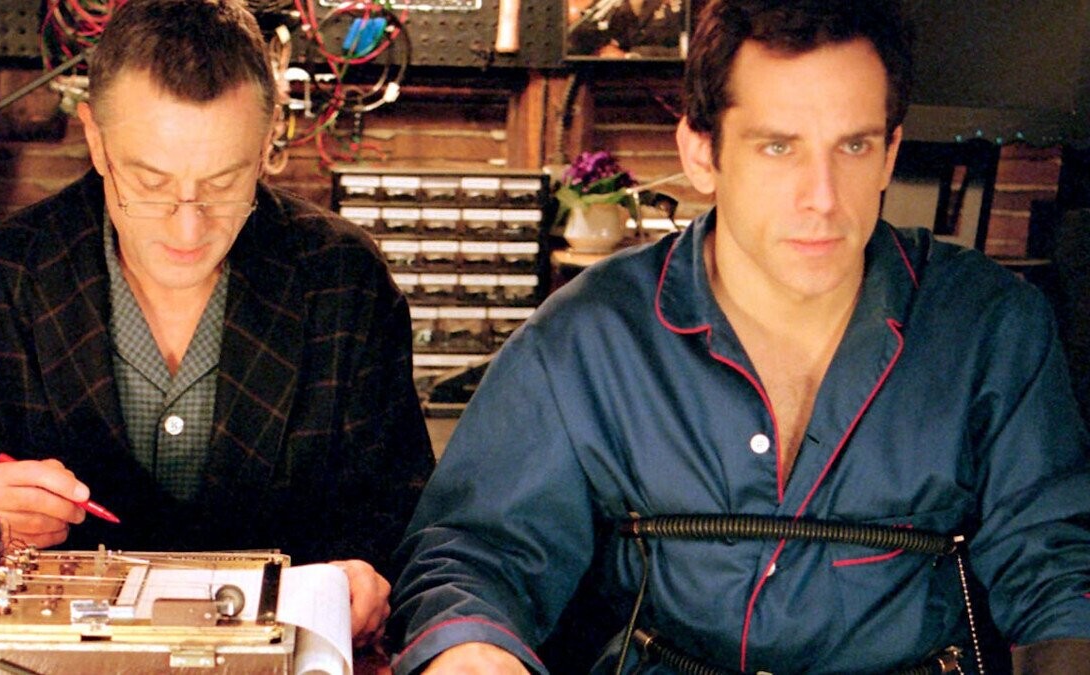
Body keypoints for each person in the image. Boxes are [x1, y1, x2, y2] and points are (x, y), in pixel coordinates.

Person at [389, 0, 1090, 672]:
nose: (823, 197)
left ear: (889, 153)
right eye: (778, 146)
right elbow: (478, 552)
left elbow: (1059, 569)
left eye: (853, 145)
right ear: (701, 153)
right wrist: (472, 650)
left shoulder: (993, 327)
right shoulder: (586, 339)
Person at [0, 0, 433, 648]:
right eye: (150, 182)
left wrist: (368, 577)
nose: (188, 227)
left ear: (267, 143)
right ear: (96, 141)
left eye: (225, 183)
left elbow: (406, 518)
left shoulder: (344, 284)